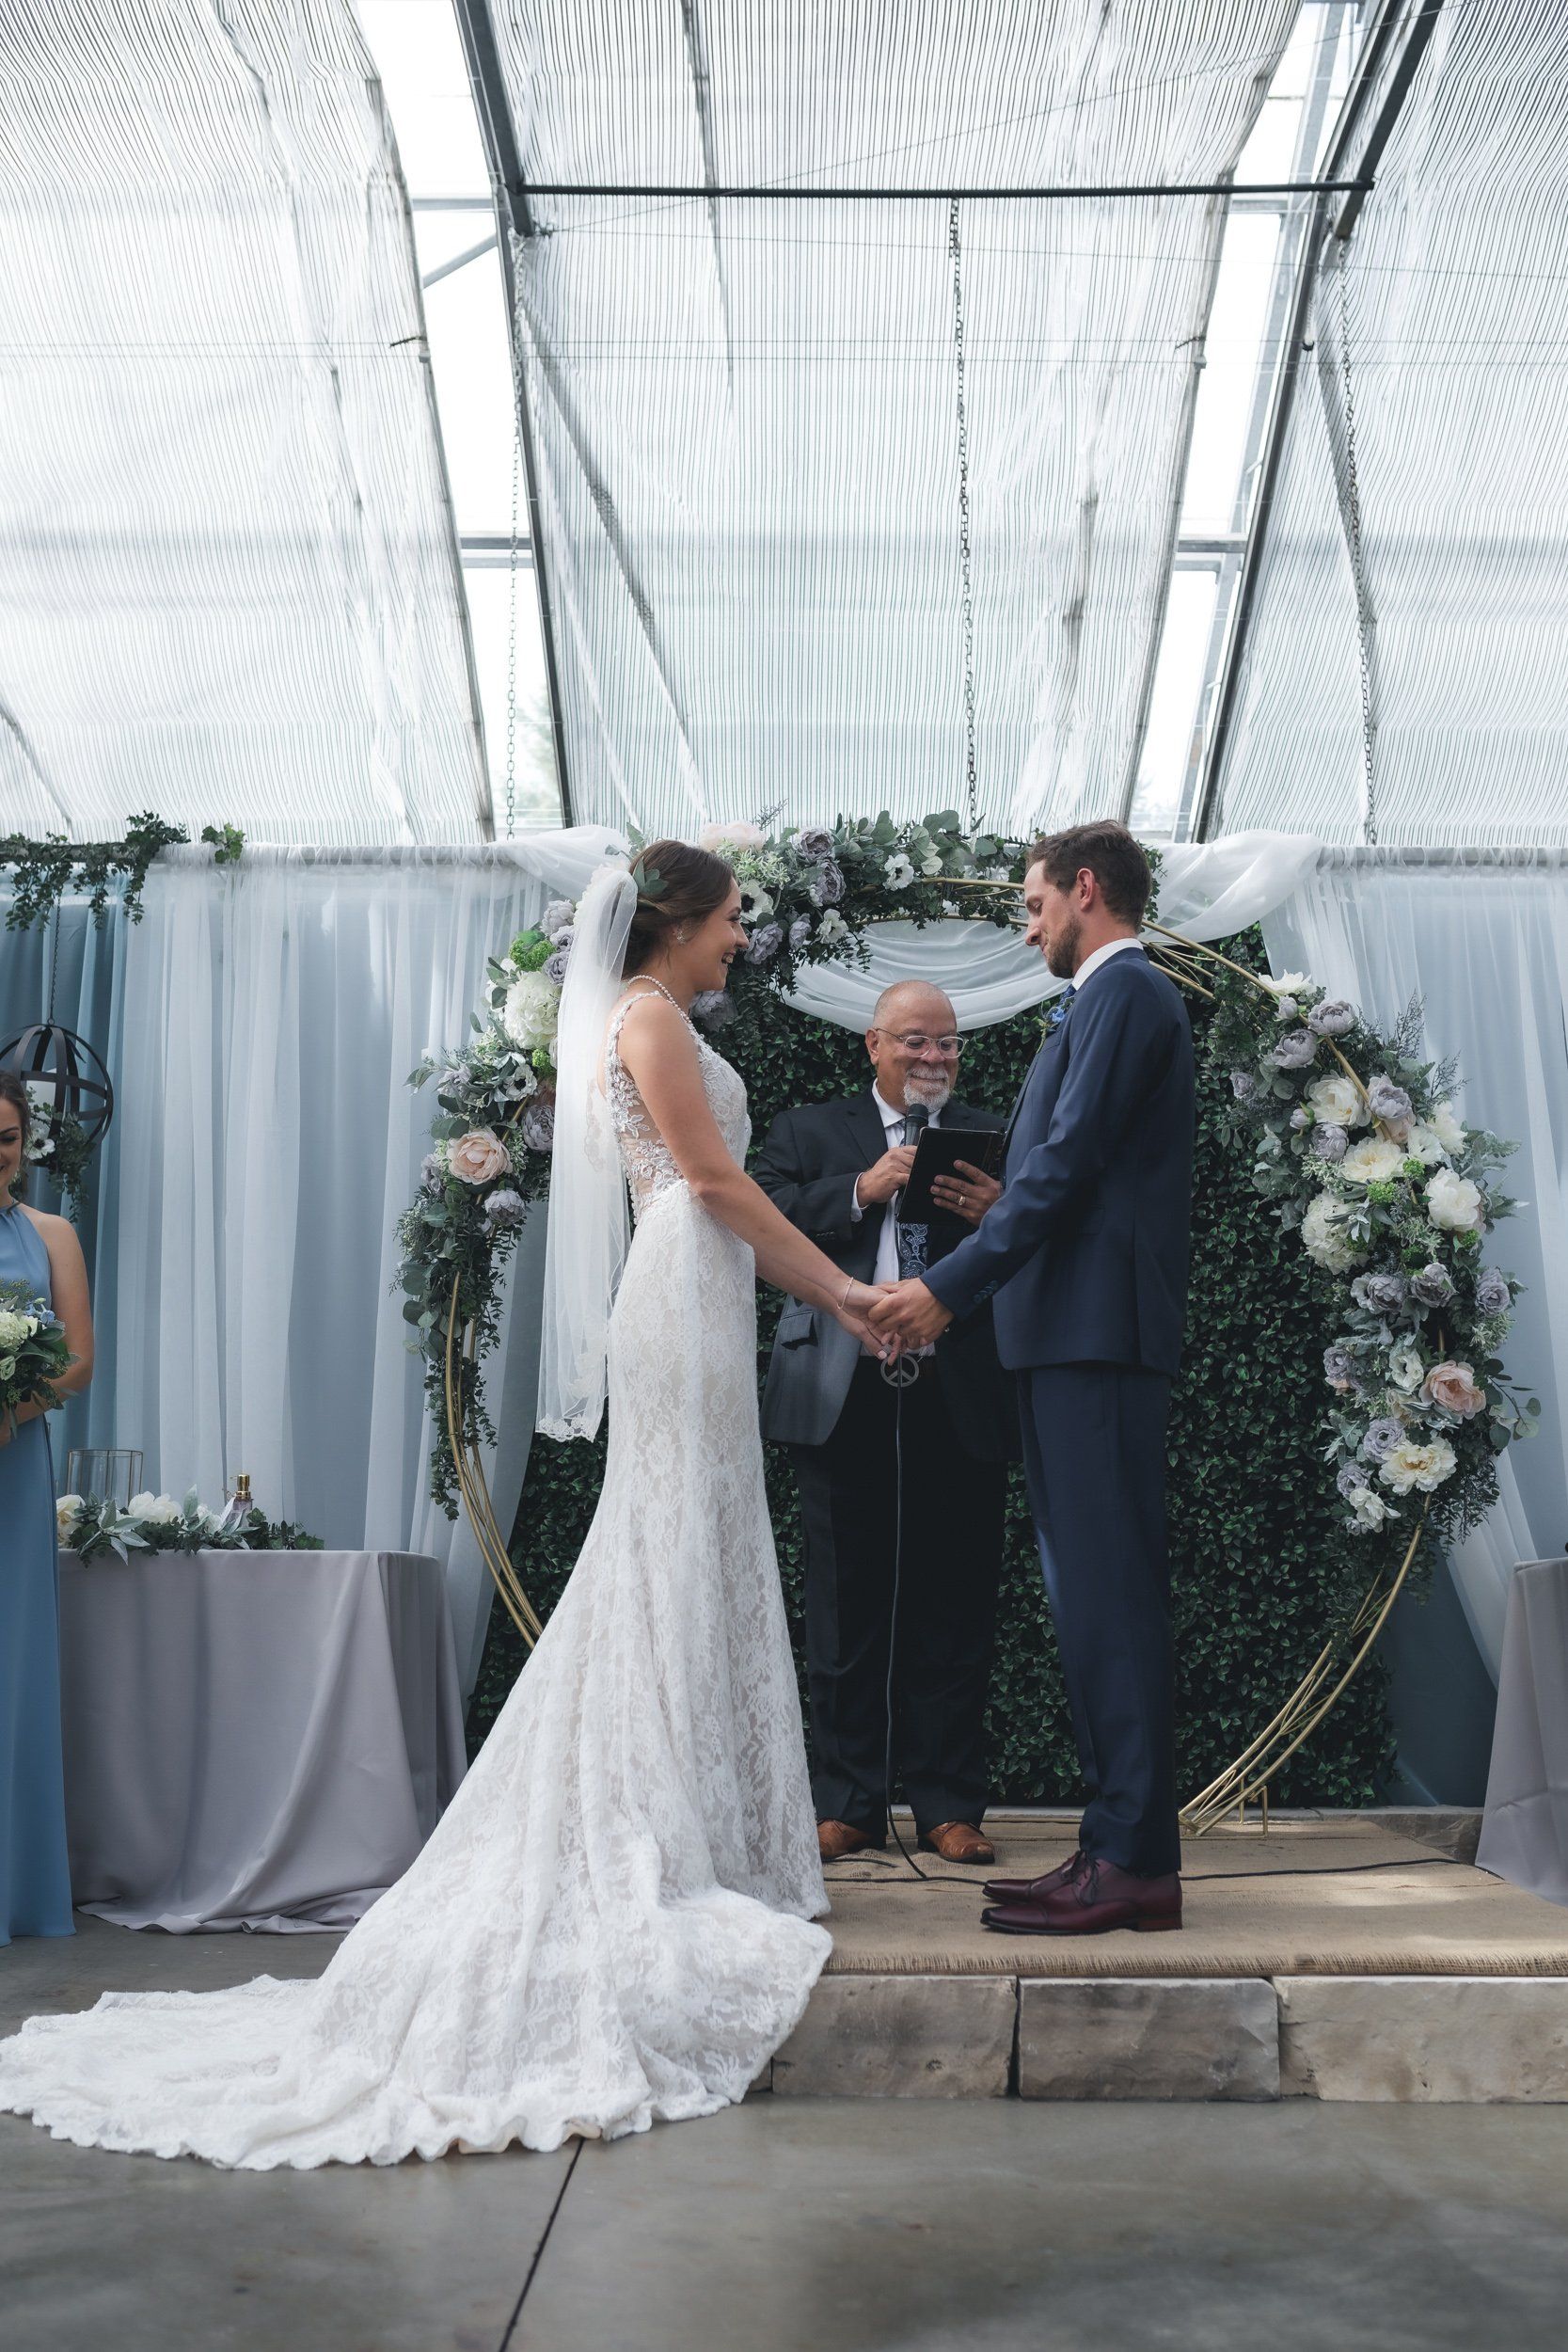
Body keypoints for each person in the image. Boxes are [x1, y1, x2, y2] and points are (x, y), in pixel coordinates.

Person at [0, 843, 899, 2168]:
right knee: (658, 1555)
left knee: (693, 1551)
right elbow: (708, 1184)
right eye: (726, 923)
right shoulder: (646, 1019)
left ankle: (698, 1824)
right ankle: (638, 1824)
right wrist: (843, 1292)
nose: (736, 944)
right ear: (676, 926)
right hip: (681, 1284)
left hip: (703, 1292)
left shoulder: (651, 1014)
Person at [872, 821, 1195, 1936]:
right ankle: (1113, 1844)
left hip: (1094, 1341)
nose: (1025, 920)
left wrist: (945, 1289)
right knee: (1088, 1602)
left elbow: (1062, 1167)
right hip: (1066, 1337)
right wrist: (1001, 1210)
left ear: (1084, 890)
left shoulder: (1124, 996)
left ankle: (1136, 1861)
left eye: (1033, 901)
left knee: (1109, 1600)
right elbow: (1066, 1175)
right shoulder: (1104, 1001)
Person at [754, 982, 1016, 1867]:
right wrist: (859, 1190)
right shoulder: (805, 1131)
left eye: (946, 1044)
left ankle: (947, 1805)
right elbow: (755, 1224)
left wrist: (998, 1216)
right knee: (841, 1606)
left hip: (958, 1390)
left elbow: (1039, 1243)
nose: (934, 1059)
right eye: (915, 1042)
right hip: (842, 1391)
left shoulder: (992, 1136)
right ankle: (849, 1803)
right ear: (873, 1046)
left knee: (956, 1604)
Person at [0, 1071, 93, 1949]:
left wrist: (9, 1409)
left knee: (11, 1671)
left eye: (6, 1139)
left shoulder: (51, 1232)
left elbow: (76, 1363)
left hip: (10, 1465)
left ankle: (15, 1889)